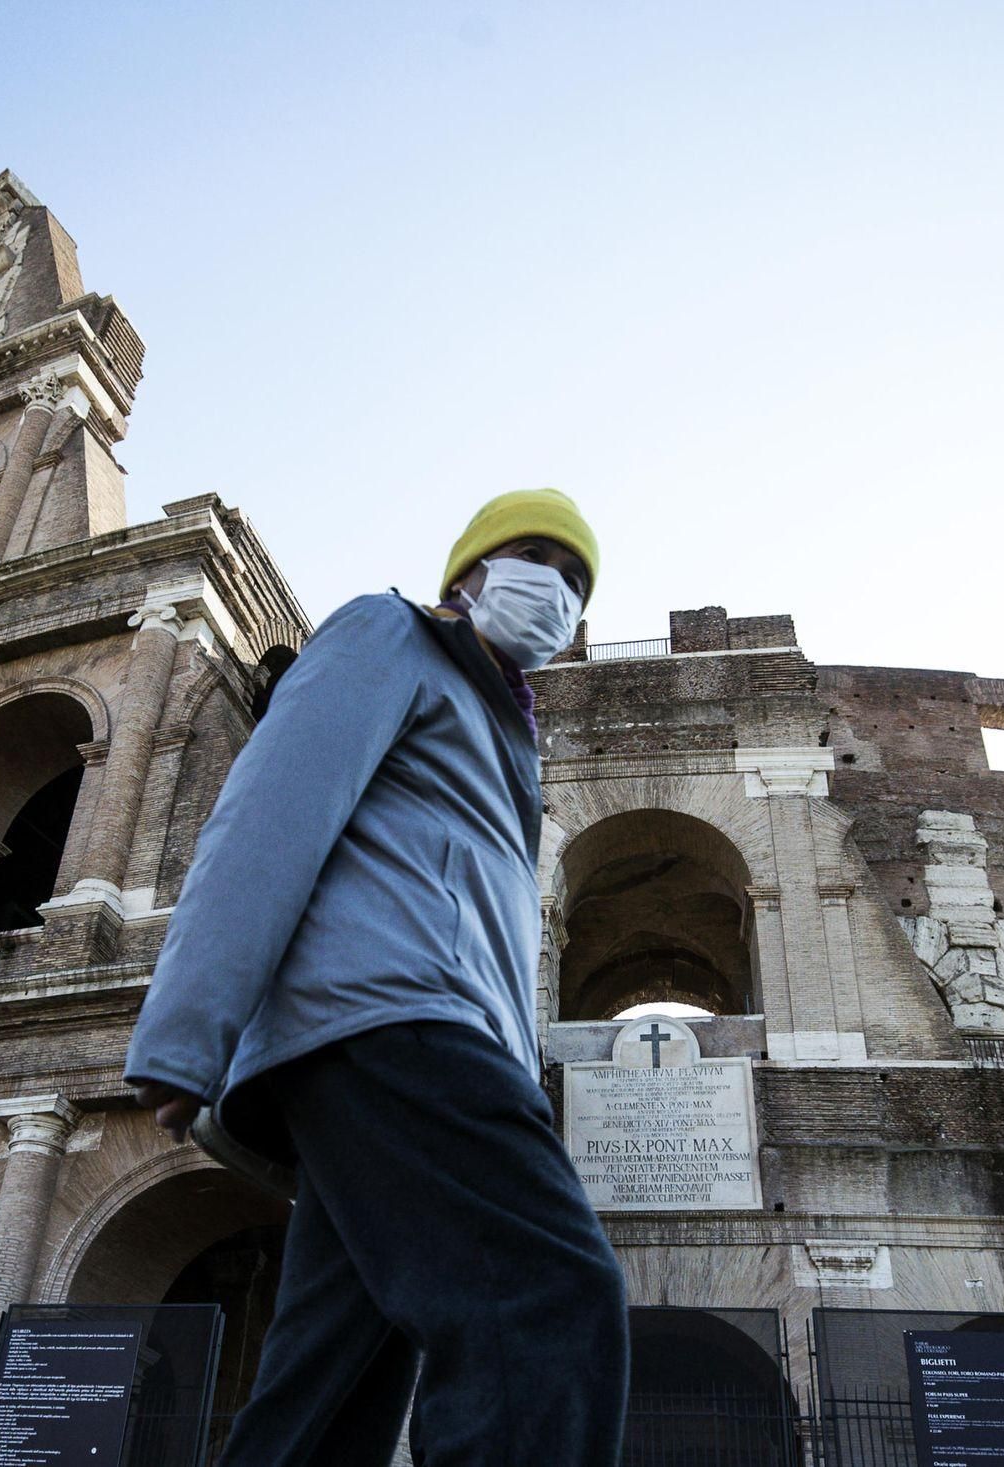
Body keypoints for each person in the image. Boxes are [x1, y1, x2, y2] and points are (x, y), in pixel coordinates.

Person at [124, 489, 629, 1466]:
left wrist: (516, 1083)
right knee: (549, 1298)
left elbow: (489, 947)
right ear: (467, 573)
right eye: (537, 559)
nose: (556, 591)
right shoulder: (386, 636)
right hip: (388, 1027)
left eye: (577, 581)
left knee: (330, 1389)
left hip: (424, 1045)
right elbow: (271, 812)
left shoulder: (507, 740)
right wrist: (187, 1030)